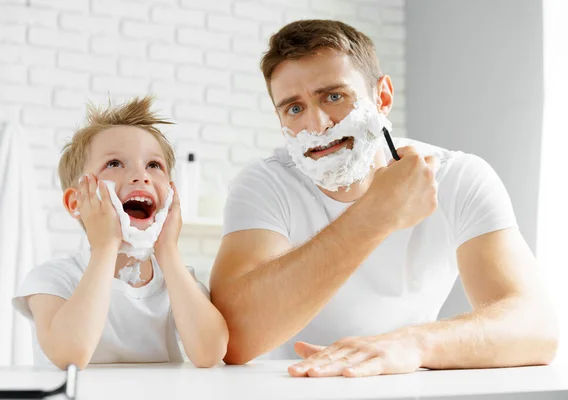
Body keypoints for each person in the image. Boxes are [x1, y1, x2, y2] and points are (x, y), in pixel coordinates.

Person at [209, 20, 558, 377]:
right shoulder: (265, 183)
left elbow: (535, 327)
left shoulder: (458, 177)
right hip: (290, 386)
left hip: (405, 384)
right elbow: (233, 339)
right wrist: (375, 216)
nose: (316, 124)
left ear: (383, 98)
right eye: (294, 109)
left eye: (333, 96)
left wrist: (413, 344)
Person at [12, 96, 228, 370]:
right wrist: (105, 248)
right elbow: (69, 356)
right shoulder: (53, 280)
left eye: (154, 165)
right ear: (76, 202)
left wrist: (168, 250)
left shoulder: (178, 281)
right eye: (114, 163)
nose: (142, 176)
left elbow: (210, 354)